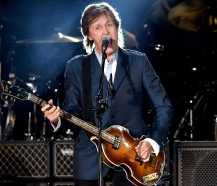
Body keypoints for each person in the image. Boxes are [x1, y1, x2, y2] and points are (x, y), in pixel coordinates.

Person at [41, 2, 173, 186]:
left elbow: (163, 107)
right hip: (90, 162)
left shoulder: (138, 62)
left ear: (117, 28)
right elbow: (73, 109)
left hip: (135, 159)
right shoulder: (76, 67)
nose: (105, 32)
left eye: (109, 24)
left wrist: (151, 141)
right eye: (98, 27)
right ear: (89, 34)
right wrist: (57, 119)